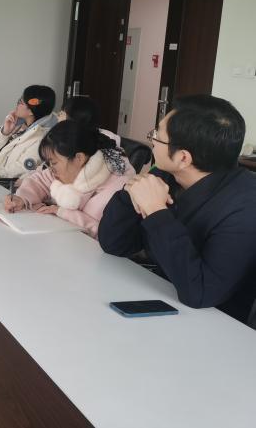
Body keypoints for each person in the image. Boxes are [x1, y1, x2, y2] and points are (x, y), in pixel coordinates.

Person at [98, 95, 256, 323]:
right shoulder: (167, 174)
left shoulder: (245, 206)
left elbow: (200, 293)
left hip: (217, 326)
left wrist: (156, 211)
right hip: (161, 297)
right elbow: (114, 243)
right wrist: (132, 188)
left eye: (157, 136)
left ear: (183, 158)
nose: (152, 141)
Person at [4, 120, 133, 238]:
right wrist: (22, 198)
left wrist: (62, 213)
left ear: (79, 158)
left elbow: (105, 235)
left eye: (54, 163)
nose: (50, 170)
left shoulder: (118, 186)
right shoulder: (74, 167)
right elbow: (40, 180)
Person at [0, 85, 56, 178]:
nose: (17, 104)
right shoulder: (19, 124)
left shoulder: (42, 138)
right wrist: (4, 132)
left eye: (20, 102)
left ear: (31, 111)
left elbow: (20, 168)